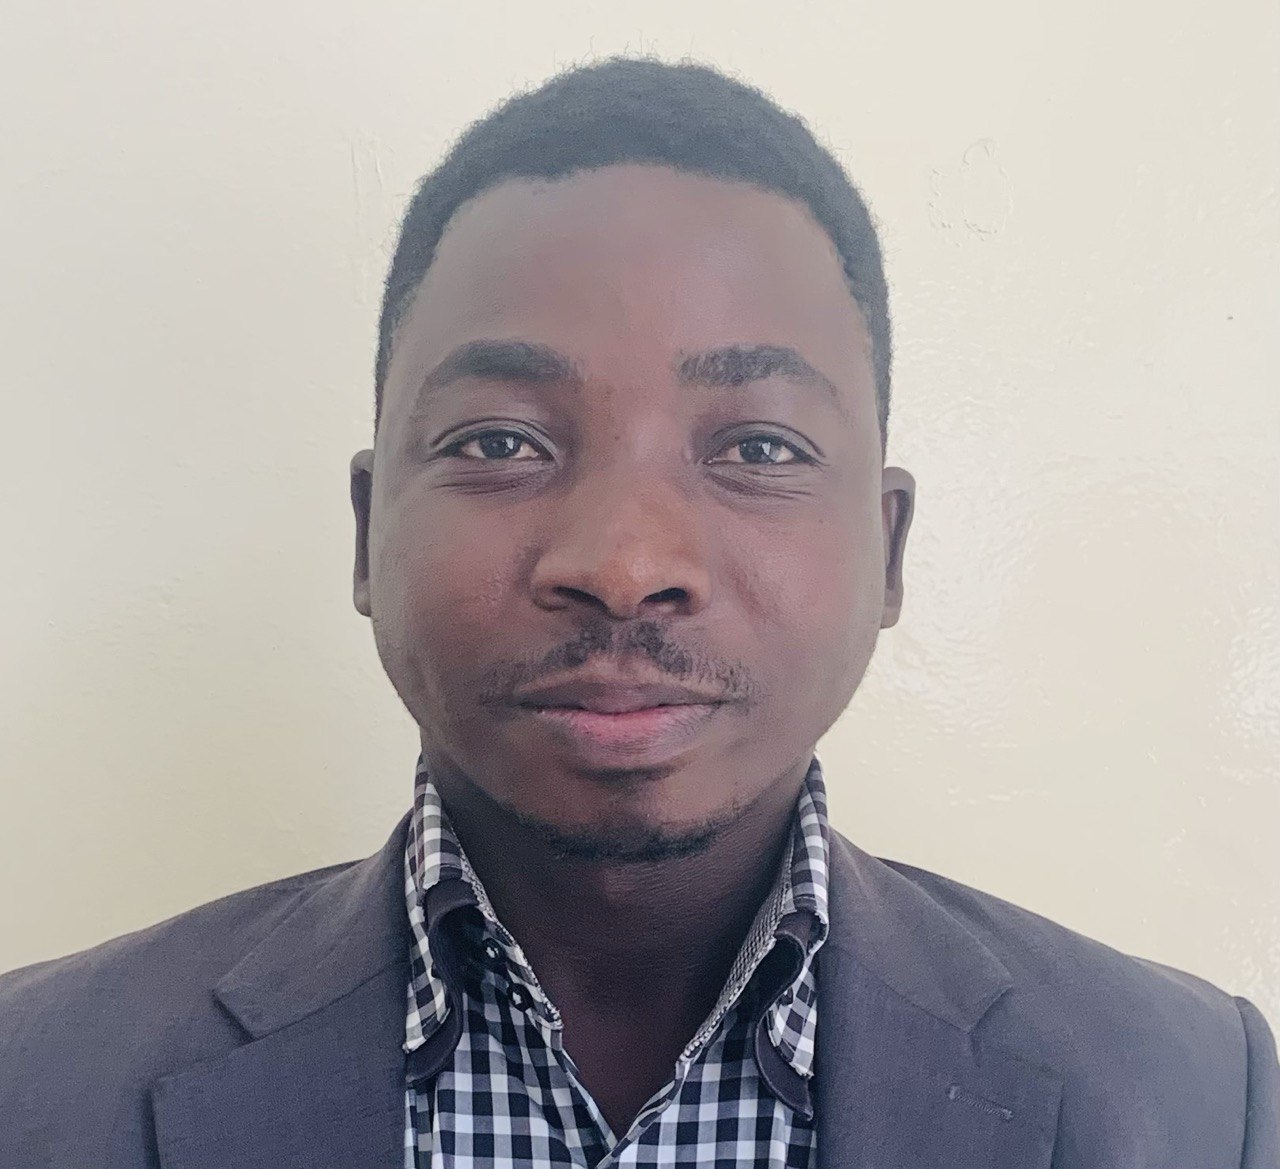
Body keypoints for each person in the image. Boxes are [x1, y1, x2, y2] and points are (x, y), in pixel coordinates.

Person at [1, 55, 1276, 1169]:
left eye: (759, 448)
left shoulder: (1194, 1099)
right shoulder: (33, 1080)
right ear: (366, 528)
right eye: (499, 440)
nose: (622, 563)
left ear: (887, 549)